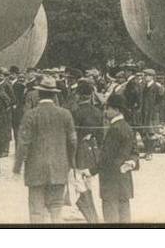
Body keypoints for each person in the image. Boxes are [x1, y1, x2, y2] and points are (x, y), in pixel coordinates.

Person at [13, 75, 77, 223]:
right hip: (59, 166)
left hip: (35, 168)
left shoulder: (30, 115)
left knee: (36, 210)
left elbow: (23, 143)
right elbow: (73, 141)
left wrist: (17, 166)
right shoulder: (65, 114)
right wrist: (70, 162)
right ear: (55, 94)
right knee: (56, 207)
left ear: (39, 93)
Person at [99, 93, 138, 224]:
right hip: (124, 179)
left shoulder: (114, 129)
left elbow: (106, 157)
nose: (105, 112)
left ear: (116, 110)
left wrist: (91, 171)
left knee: (111, 214)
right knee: (124, 213)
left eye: (108, 108)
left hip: (111, 179)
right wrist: (131, 162)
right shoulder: (127, 127)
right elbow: (135, 152)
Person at [70, 80, 103, 223]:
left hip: (80, 149)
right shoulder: (97, 112)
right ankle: (92, 210)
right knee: (90, 180)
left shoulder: (76, 112)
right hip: (93, 148)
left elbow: (73, 135)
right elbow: (100, 135)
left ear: (78, 95)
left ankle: (89, 212)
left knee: (78, 180)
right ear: (90, 95)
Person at [139, 69, 164, 159]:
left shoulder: (157, 87)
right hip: (145, 112)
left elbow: (160, 100)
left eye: (147, 75)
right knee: (144, 132)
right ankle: (147, 151)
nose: (145, 77)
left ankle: (150, 152)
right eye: (145, 75)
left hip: (152, 113)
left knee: (151, 133)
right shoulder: (145, 86)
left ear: (152, 76)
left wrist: (155, 110)